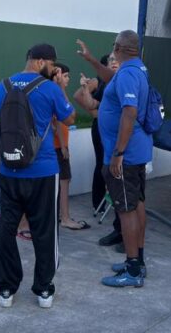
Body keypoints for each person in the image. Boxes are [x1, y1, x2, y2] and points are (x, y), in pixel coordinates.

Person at [0, 44, 75, 309]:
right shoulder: (50, 89)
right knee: (45, 230)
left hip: (9, 171)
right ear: (40, 62)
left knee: (7, 229)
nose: (54, 69)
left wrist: (2, 162)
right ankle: (44, 288)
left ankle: (5, 288)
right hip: (44, 172)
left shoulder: (1, 87)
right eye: (52, 64)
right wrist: (59, 87)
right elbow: (70, 118)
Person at [87, 31, 153, 289]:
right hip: (135, 152)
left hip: (126, 156)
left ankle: (133, 268)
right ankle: (138, 261)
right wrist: (93, 60)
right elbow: (111, 79)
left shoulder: (127, 74)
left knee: (126, 210)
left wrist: (118, 152)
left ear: (119, 47)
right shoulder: (135, 69)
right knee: (136, 205)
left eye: (114, 45)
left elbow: (129, 112)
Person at [72, 52, 122, 246]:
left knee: (113, 168)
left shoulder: (123, 81)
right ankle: (99, 203)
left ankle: (115, 208)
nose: (113, 63)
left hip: (116, 133)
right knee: (103, 164)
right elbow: (80, 96)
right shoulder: (99, 81)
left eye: (116, 60)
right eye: (110, 61)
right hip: (101, 129)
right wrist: (94, 112)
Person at [51, 64, 86, 231]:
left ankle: (61, 215)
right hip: (57, 146)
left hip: (60, 145)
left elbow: (70, 113)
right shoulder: (53, 94)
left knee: (64, 180)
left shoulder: (58, 93)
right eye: (65, 76)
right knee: (64, 181)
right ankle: (64, 217)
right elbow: (58, 121)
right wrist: (64, 145)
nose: (67, 79)